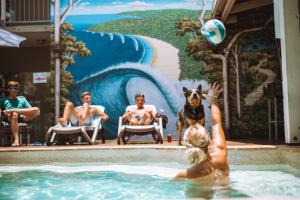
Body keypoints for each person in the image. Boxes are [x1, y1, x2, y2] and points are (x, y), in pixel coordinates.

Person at [175, 83, 229, 179]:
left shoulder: (183, 175)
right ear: (209, 140)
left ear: (187, 145)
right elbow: (216, 124)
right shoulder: (220, 152)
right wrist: (213, 99)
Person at [0, 81, 40, 146]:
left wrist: (16, 111)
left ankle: (13, 110)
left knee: (37, 110)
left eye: (17, 89)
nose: (15, 90)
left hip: (23, 117)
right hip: (10, 117)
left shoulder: (22, 99)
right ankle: (16, 140)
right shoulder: (2, 100)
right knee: (14, 114)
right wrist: (3, 112)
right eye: (13, 88)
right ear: (8, 89)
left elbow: (32, 110)